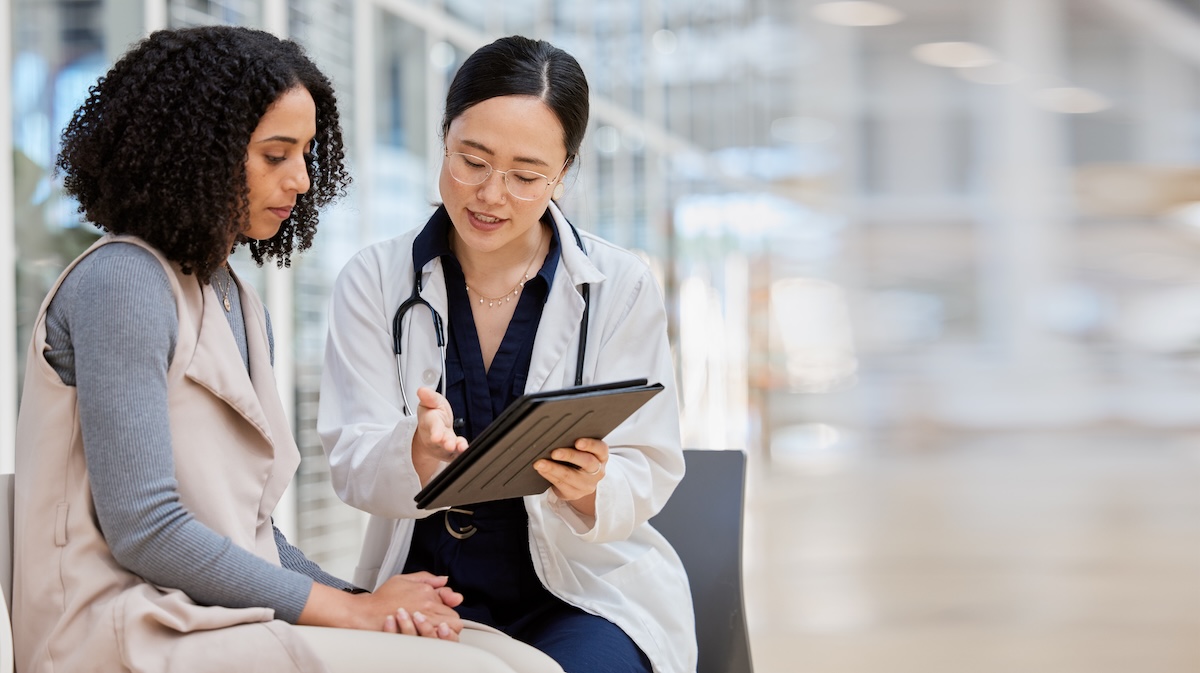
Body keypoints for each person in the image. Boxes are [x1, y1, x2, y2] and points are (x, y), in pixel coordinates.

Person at [12, 26, 561, 673]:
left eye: (305, 153)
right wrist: (349, 611)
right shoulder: (123, 281)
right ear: (195, 154)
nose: (301, 179)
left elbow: (253, 535)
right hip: (119, 625)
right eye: (276, 155)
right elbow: (148, 531)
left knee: (518, 658)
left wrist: (366, 600)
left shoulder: (234, 298)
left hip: (204, 614)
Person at [318, 35, 697, 673]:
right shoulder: (373, 280)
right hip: (427, 583)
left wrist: (589, 490)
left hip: (582, 594)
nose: (491, 195)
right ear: (443, 138)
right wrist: (409, 455)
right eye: (471, 160)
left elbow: (651, 462)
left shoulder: (619, 285)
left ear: (564, 173)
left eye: (526, 177)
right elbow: (350, 458)